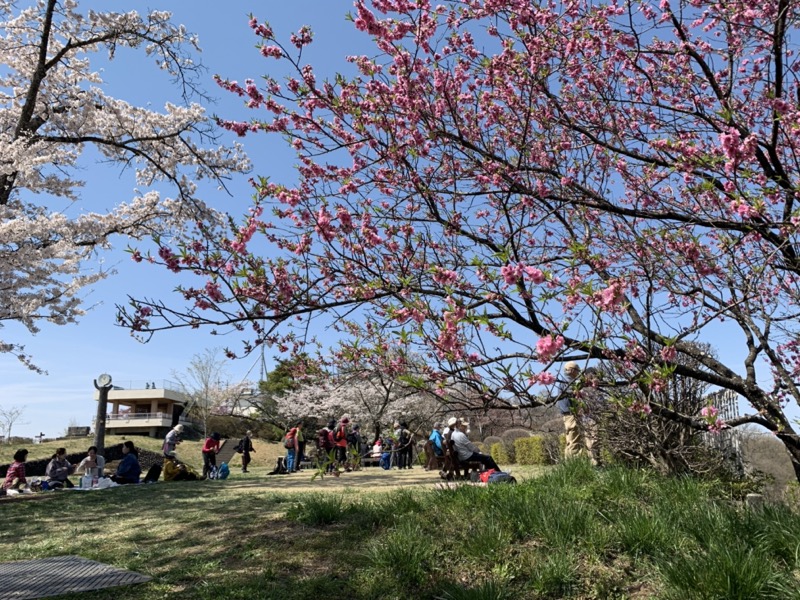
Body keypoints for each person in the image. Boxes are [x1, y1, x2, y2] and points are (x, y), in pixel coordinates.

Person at [555, 361, 597, 464]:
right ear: (572, 370)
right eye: (578, 371)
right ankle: (573, 464)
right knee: (574, 440)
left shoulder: (563, 381)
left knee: (571, 440)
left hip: (568, 414)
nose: (578, 374)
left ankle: (570, 464)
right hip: (571, 414)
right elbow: (575, 394)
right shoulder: (568, 382)